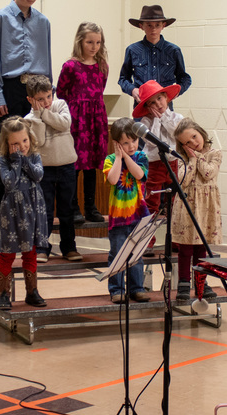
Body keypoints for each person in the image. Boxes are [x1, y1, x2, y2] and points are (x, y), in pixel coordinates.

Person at [0, 0, 52, 225]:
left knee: (33, 145)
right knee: (6, 145)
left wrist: (48, 94)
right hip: (10, 88)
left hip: (35, 89)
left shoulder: (43, 22)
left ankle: (29, 202)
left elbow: (46, 58)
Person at [23, 75, 82, 263]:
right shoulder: (29, 118)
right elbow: (38, 141)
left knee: (67, 209)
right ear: (30, 100)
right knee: (45, 210)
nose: (46, 102)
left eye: (49, 96)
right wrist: (39, 117)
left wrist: (45, 114)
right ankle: (42, 247)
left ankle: (69, 247)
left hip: (67, 166)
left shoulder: (60, 105)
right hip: (44, 170)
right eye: (40, 99)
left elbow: (64, 123)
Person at [56, 21, 109, 224]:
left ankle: (90, 206)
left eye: (98, 42)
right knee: (75, 164)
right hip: (77, 120)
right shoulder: (71, 66)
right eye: (89, 42)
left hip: (96, 119)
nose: (94, 46)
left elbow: (100, 89)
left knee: (91, 166)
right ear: (80, 41)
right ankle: (73, 206)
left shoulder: (102, 66)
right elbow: (61, 93)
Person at [0, 116, 49, 310]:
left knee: (30, 251)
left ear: (30, 138)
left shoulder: (34, 156)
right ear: (7, 144)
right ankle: (3, 293)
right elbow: (9, 183)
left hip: (33, 209)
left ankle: (31, 291)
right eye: (15, 144)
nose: (22, 146)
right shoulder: (3, 160)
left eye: (24, 141)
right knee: (8, 253)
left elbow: (38, 175)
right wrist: (17, 161)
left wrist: (24, 160)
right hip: (12, 211)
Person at [170, 119, 222, 302]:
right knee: (185, 248)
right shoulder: (181, 158)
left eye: (194, 136)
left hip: (205, 207)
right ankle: (184, 282)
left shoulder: (215, 153)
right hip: (187, 206)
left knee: (201, 247)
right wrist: (192, 158)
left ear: (201, 132)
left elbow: (208, 173)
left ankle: (202, 281)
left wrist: (198, 157)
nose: (194, 143)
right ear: (182, 146)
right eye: (188, 142)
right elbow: (183, 180)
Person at [104, 118, 150, 304]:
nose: (131, 146)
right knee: (117, 254)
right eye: (125, 143)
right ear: (117, 144)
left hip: (138, 215)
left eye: (134, 141)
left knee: (136, 255)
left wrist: (127, 157)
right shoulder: (110, 160)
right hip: (118, 218)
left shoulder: (141, 157)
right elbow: (113, 180)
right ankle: (116, 289)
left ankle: (136, 288)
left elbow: (139, 175)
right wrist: (119, 157)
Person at [118, 4, 191, 105]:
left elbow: (184, 78)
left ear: (163, 25)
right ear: (141, 26)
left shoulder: (173, 51)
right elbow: (123, 78)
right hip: (142, 107)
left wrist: (174, 93)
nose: (153, 29)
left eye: (157, 25)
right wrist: (133, 90)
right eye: (149, 25)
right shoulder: (132, 50)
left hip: (166, 109)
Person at [133, 80, 183, 220]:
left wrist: (163, 118)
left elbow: (176, 132)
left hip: (173, 163)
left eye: (159, 99)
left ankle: (175, 238)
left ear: (166, 97)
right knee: (151, 201)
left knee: (175, 201)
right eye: (152, 103)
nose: (158, 104)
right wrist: (155, 119)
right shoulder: (145, 121)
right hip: (154, 165)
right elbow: (151, 140)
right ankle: (148, 239)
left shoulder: (177, 117)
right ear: (148, 107)